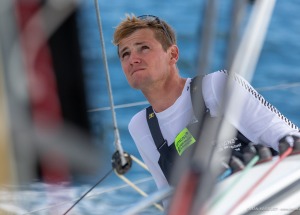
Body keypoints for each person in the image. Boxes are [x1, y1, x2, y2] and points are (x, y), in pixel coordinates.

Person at [112, 14, 300, 201]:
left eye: (143, 48)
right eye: (125, 54)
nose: (132, 59)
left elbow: (286, 135)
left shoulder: (216, 86)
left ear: (173, 54)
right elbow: (170, 198)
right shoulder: (141, 127)